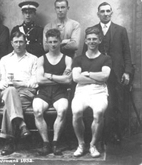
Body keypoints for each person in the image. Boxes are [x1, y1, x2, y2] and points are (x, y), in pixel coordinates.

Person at [82, 2, 133, 144]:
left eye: (108, 11)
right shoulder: (92, 30)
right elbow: (84, 53)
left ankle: (114, 134)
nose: (105, 14)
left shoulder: (120, 30)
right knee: (95, 104)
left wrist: (127, 72)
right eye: (102, 11)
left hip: (116, 74)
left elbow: (127, 53)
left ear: (111, 13)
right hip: (96, 73)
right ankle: (94, 136)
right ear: (98, 14)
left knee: (114, 105)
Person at [72, 27, 112, 158]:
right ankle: (81, 144)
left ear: (100, 40)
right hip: (81, 92)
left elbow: (105, 77)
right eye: (89, 39)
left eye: (94, 39)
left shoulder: (106, 59)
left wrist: (88, 74)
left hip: (99, 92)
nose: (91, 41)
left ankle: (93, 145)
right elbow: (76, 78)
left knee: (99, 112)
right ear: (86, 42)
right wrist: (96, 77)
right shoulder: (78, 59)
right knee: (76, 112)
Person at [33, 29, 72, 156]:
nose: (53, 44)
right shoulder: (41, 59)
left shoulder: (67, 59)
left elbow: (68, 80)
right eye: (50, 42)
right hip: (43, 92)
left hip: (60, 93)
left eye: (55, 41)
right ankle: (46, 143)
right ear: (47, 43)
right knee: (37, 110)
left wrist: (49, 75)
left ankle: (55, 143)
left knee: (62, 110)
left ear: (60, 42)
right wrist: (59, 78)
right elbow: (39, 80)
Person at [0, 31, 37, 155]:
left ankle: (9, 141)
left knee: (7, 108)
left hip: (26, 92)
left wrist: (20, 83)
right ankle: (22, 125)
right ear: (11, 43)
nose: (19, 44)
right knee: (10, 91)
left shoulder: (33, 59)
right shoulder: (4, 60)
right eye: (16, 42)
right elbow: (1, 81)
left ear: (25, 43)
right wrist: (3, 84)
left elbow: (34, 82)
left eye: (21, 41)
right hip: (8, 91)